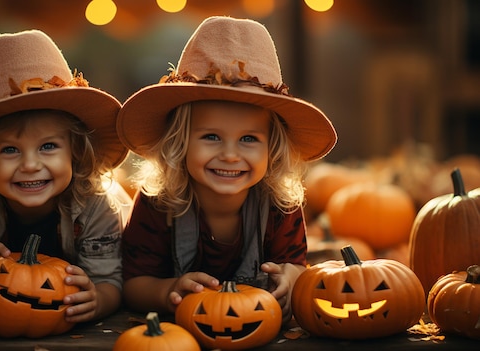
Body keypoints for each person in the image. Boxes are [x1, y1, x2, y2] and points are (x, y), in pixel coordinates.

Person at [116, 16, 337, 324]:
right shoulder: (158, 203)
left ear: (272, 150)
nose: (230, 155)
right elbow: (134, 285)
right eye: (211, 137)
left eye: (248, 139)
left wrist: (292, 279)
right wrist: (168, 291)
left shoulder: (279, 205)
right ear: (179, 142)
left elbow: (293, 264)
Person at [0, 30, 131, 323]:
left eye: (48, 146)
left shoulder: (96, 204)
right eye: (10, 150)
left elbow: (110, 280)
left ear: (75, 152)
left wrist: (99, 300)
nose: (30, 165)